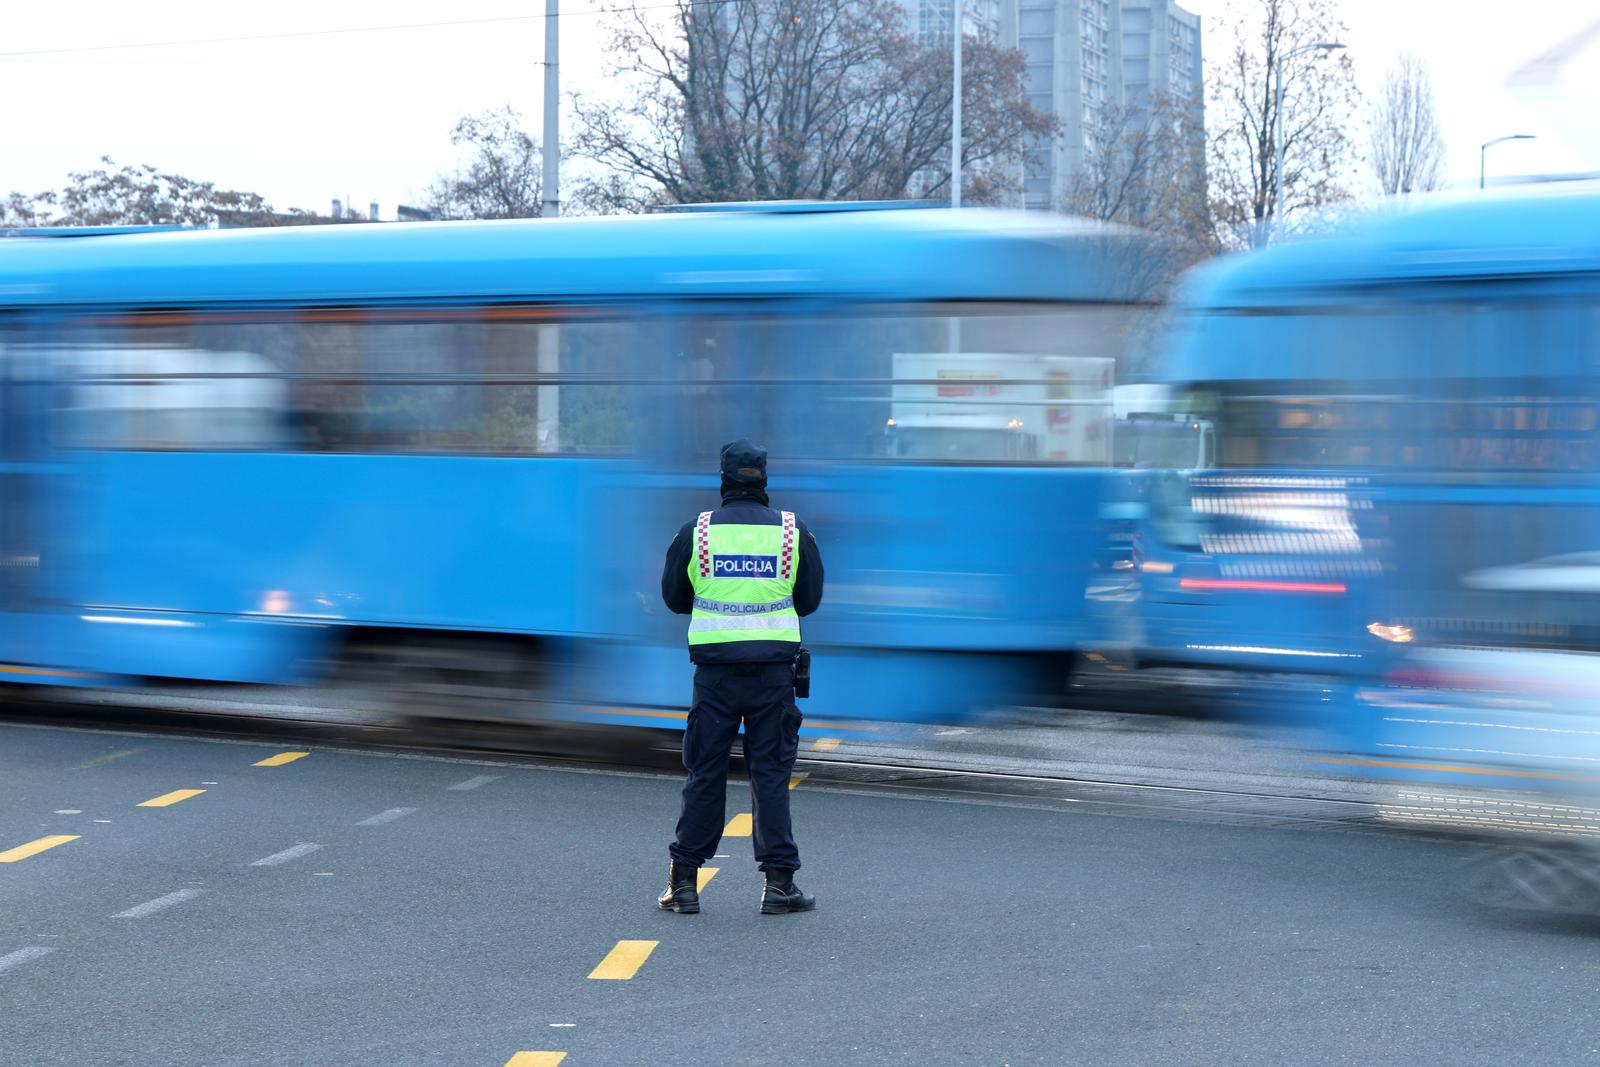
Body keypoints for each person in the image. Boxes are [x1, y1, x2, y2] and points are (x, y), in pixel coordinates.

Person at [657, 439, 824, 915]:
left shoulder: (698, 531)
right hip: (774, 675)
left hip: (714, 676)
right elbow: (809, 600)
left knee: (704, 772)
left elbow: (673, 597)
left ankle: (684, 884)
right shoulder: (793, 531)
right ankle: (779, 886)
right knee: (770, 773)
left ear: (724, 479)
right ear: (763, 478)